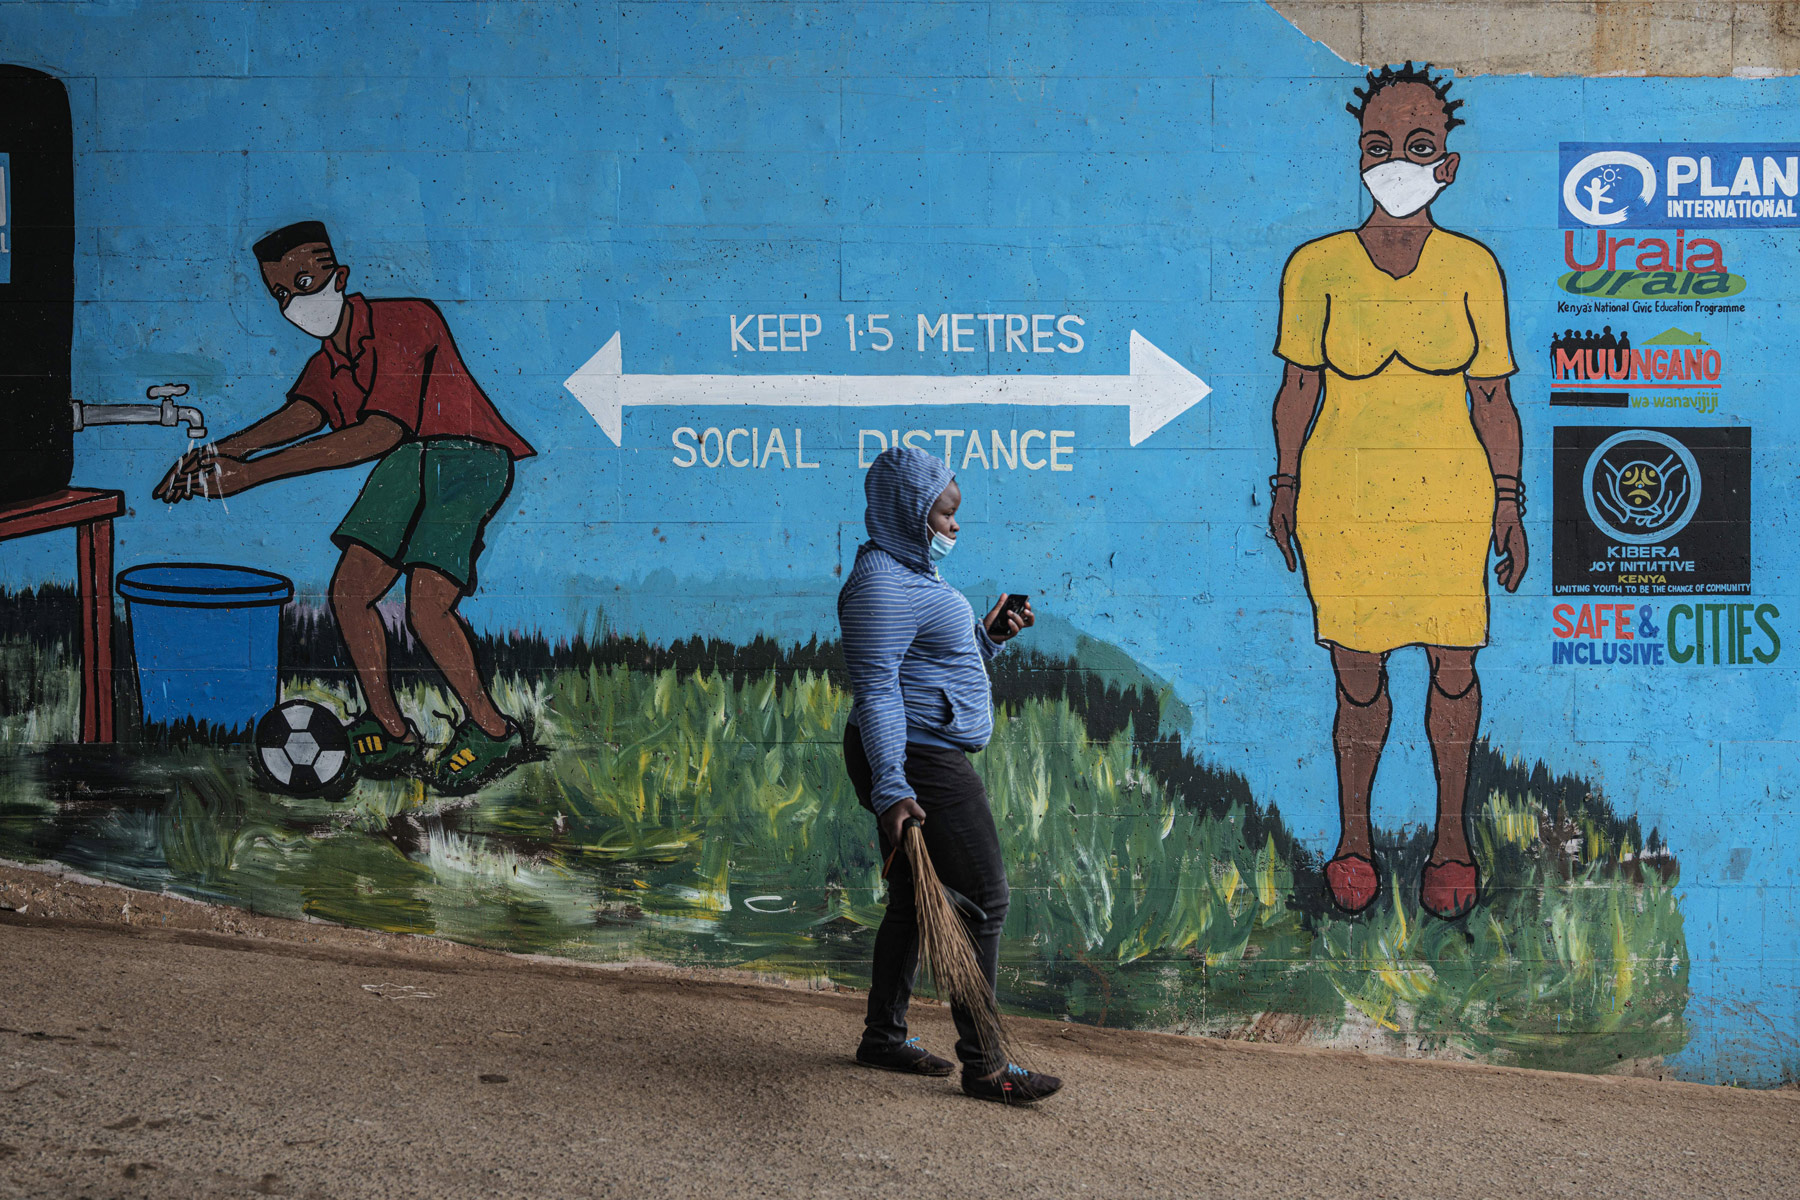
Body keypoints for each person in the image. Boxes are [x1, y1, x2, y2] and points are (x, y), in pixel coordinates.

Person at [1267, 63, 1526, 921]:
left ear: (1446, 164)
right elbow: (1298, 389)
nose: (1397, 162)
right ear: (1359, 158)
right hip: (1343, 504)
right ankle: (1354, 839)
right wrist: (1284, 484)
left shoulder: (1472, 268)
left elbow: (1493, 395)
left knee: (1454, 670)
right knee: (1358, 676)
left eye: (1418, 147)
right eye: (1379, 146)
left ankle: (1451, 838)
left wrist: (1509, 501)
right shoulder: (1316, 267)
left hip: (1449, 500)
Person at [155, 220, 537, 794]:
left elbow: (379, 433)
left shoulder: (408, 321)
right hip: (412, 459)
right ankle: (393, 730)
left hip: (467, 456)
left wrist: (250, 475)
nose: (294, 301)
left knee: (426, 605)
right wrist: (212, 454)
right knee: (350, 592)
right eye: (281, 293)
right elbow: (303, 416)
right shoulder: (330, 359)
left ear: (340, 276)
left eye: (304, 281)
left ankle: (494, 730)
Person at [837, 446, 1062, 1105]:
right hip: (921, 762)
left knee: (912, 902)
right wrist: (892, 788)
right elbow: (878, 692)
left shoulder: (906, 572)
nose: (954, 527)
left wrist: (988, 635)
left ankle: (883, 1037)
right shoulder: (878, 585)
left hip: (919, 753)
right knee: (987, 900)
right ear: (911, 513)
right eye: (945, 513)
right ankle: (988, 1068)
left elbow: (926, 666)